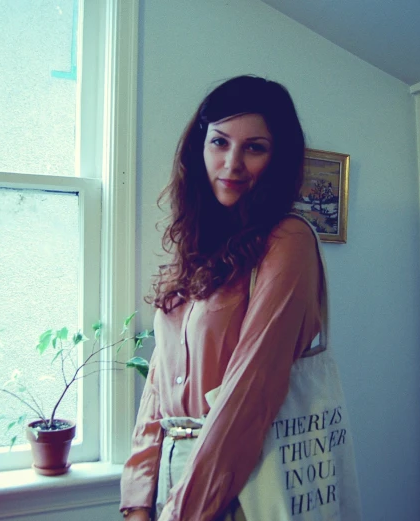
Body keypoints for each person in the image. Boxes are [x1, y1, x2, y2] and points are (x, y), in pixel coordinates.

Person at [120, 75, 324, 521]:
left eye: (254, 147)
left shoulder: (286, 241)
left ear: (278, 158)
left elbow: (251, 392)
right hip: (172, 475)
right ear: (201, 147)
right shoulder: (197, 244)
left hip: (239, 479)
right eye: (220, 142)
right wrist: (137, 500)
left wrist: (182, 513)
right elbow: (159, 382)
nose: (231, 163)